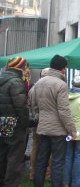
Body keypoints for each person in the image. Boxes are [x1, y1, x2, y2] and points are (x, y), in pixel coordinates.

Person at [32, 55, 77, 187]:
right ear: (62, 68)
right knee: (57, 162)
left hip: (43, 128)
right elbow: (64, 110)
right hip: (57, 131)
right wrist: (72, 130)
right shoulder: (61, 85)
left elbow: (34, 106)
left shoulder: (39, 82)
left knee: (41, 161)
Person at [0, 56, 30, 187]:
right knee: (15, 157)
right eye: (27, 67)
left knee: (3, 153)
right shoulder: (16, 82)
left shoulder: (2, 78)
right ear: (21, 68)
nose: (28, 70)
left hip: (3, 121)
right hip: (15, 123)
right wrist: (27, 122)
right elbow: (21, 108)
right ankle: (10, 183)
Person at [29, 68, 51, 182]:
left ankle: (32, 173)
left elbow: (29, 105)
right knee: (47, 148)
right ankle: (47, 175)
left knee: (35, 146)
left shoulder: (33, 88)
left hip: (35, 121)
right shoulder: (45, 88)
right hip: (44, 122)